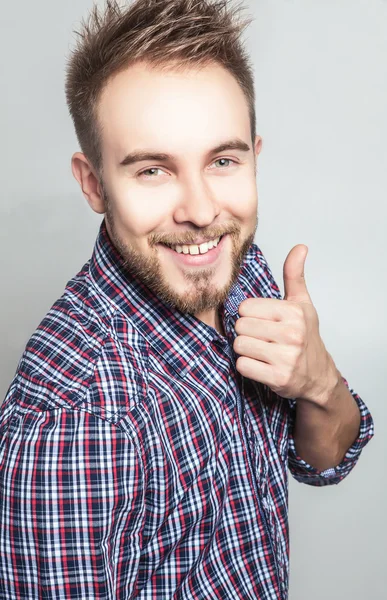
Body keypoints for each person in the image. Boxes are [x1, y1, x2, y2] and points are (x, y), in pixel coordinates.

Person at [0, 1, 374, 598]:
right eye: (153, 170)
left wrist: (320, 383)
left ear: (253, 155)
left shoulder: (236, 264)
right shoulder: (77, 417)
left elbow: (324, 460)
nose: (201, 212)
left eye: (223, 161)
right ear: (94, 184)